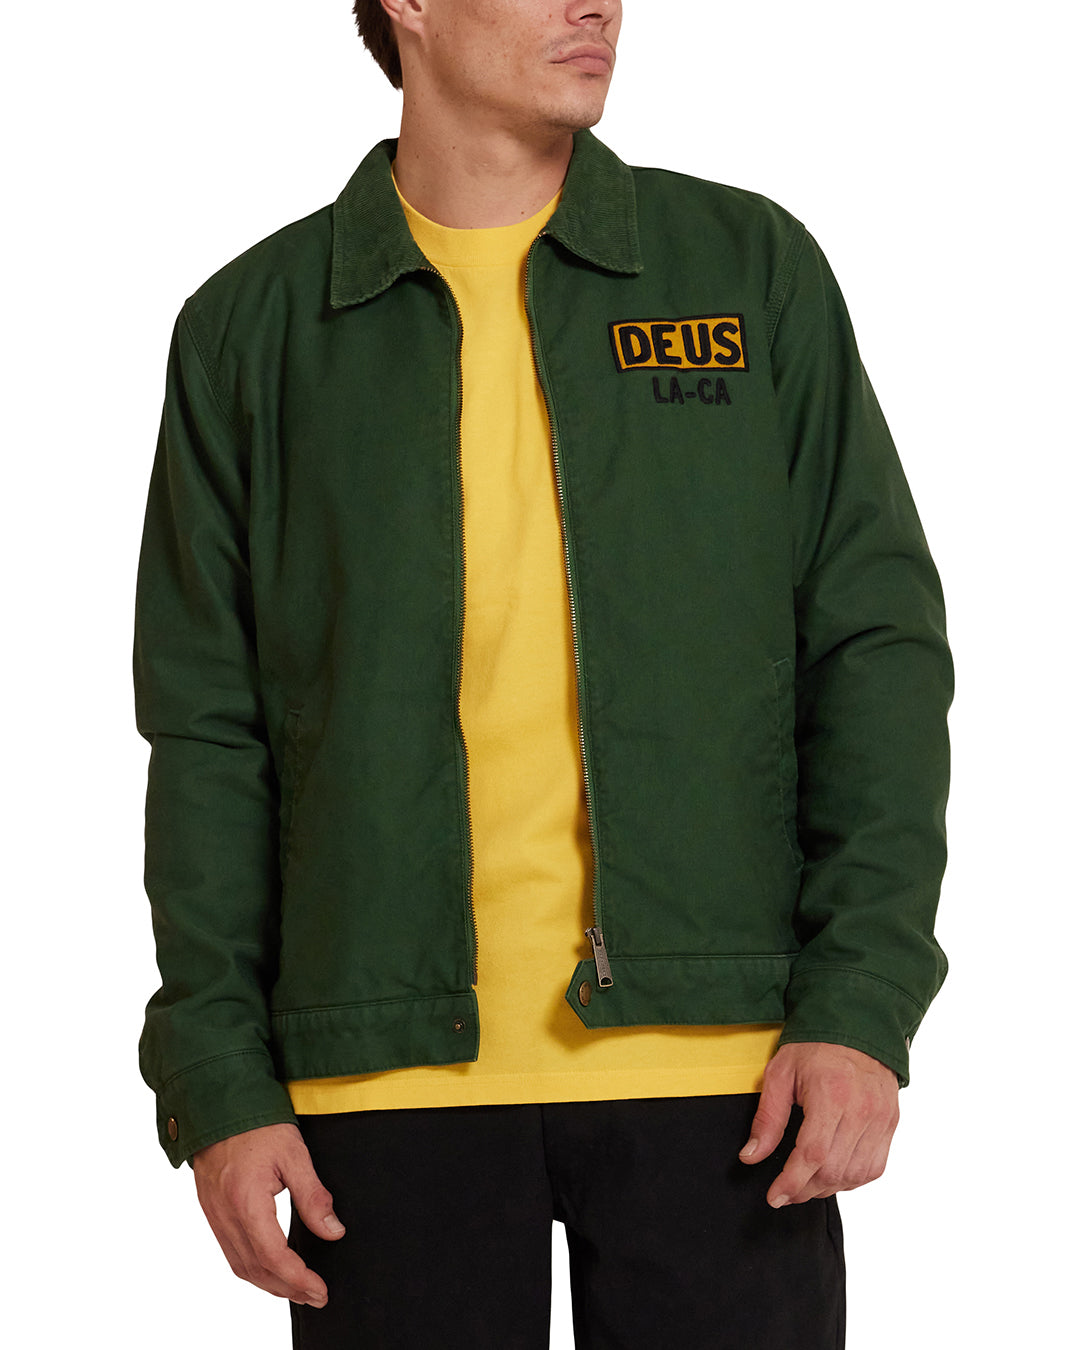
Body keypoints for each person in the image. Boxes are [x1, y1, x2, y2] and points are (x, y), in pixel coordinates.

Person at [133, 2, 951, 1346]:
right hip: (380, 1078)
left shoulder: (747, 273)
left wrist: (861, 1003)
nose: (599, 3)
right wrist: (218, 1075)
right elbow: (208, 735)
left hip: (728, 1070)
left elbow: (875, 651)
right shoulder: (253, 331)